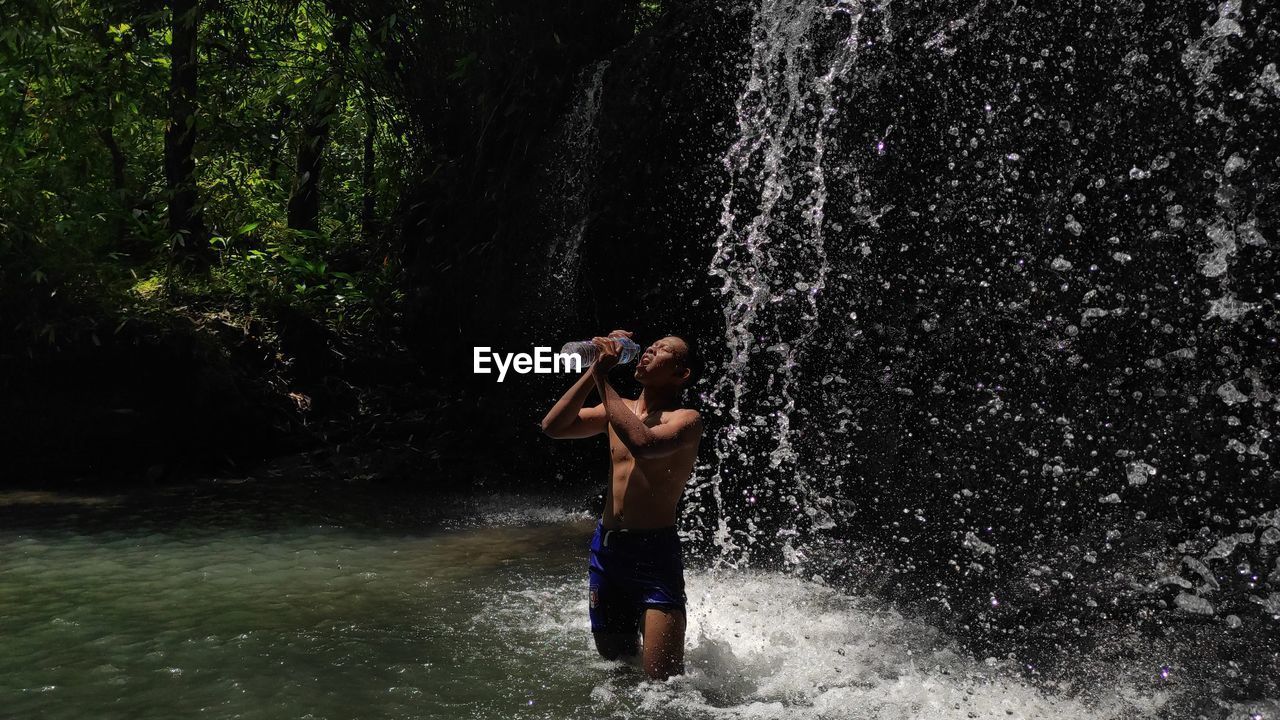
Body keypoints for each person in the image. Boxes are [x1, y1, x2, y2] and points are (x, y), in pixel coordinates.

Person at [540, 329, 703, 681]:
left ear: (681, 374)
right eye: (650, 346)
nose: (649, 351)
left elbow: (643, 443)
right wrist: (593, 371)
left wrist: (602, 379)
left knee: (664, 684)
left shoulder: (686, 419)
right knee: (617, 673)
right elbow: (553, 426)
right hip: (608, 552)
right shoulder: (618, 409)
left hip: (655, 553)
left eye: (662, 351)